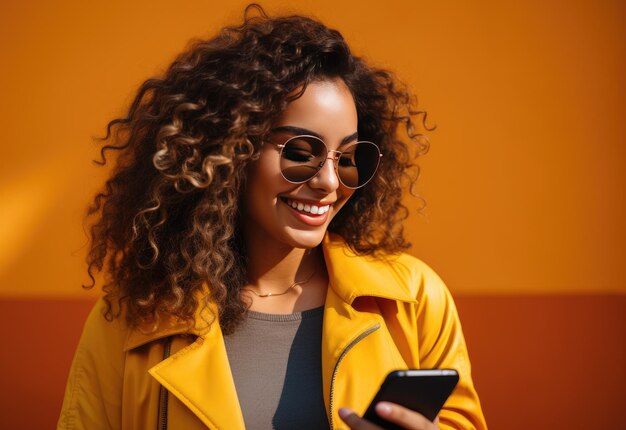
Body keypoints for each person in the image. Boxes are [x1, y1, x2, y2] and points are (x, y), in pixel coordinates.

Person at [58, 5, 486, 430]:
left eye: (350, 157)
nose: (330, 182)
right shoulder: (134, 321)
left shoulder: (412, 300)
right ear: (228, 151)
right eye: (301, 152)